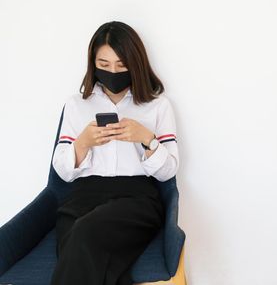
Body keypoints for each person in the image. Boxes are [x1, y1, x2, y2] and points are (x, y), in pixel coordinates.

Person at [51, 21, 180, 285]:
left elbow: (169, 172)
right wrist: (82, 143)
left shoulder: (158, 106)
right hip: (82, 198)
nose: (113, 72)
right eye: (104, 64)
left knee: (84, 235)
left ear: (136, 63)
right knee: (83, 246)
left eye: (121, 65)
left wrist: (147, 139)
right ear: (93, 63)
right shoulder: (77, 105)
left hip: (137, 199)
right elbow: (62, 174)